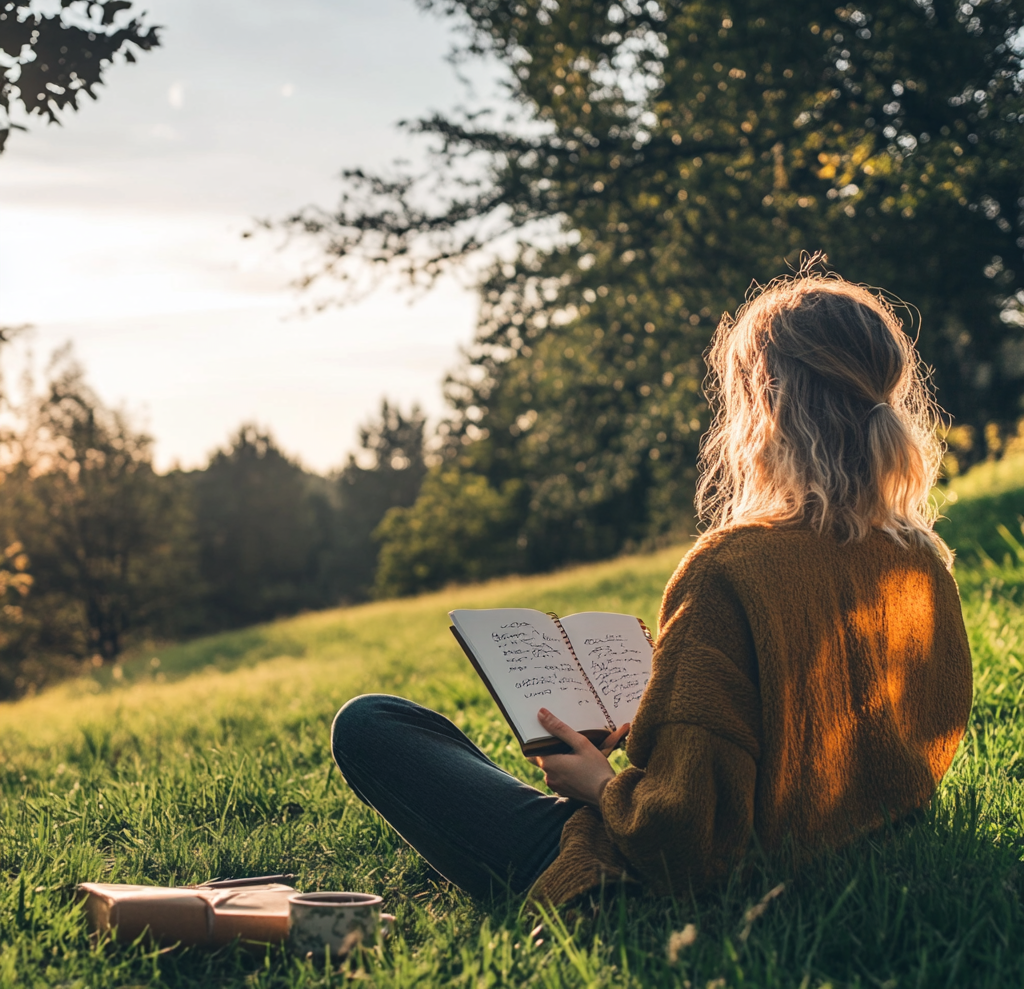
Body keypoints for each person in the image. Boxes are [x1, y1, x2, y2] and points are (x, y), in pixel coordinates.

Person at [330, 271, 973, 905]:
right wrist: (664, 729)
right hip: (842, 845)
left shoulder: (733, 565)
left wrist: (599, 784)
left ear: (762, 405)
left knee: (372, 723)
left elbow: (680, 838)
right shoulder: (923, 563)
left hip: (644, 878)